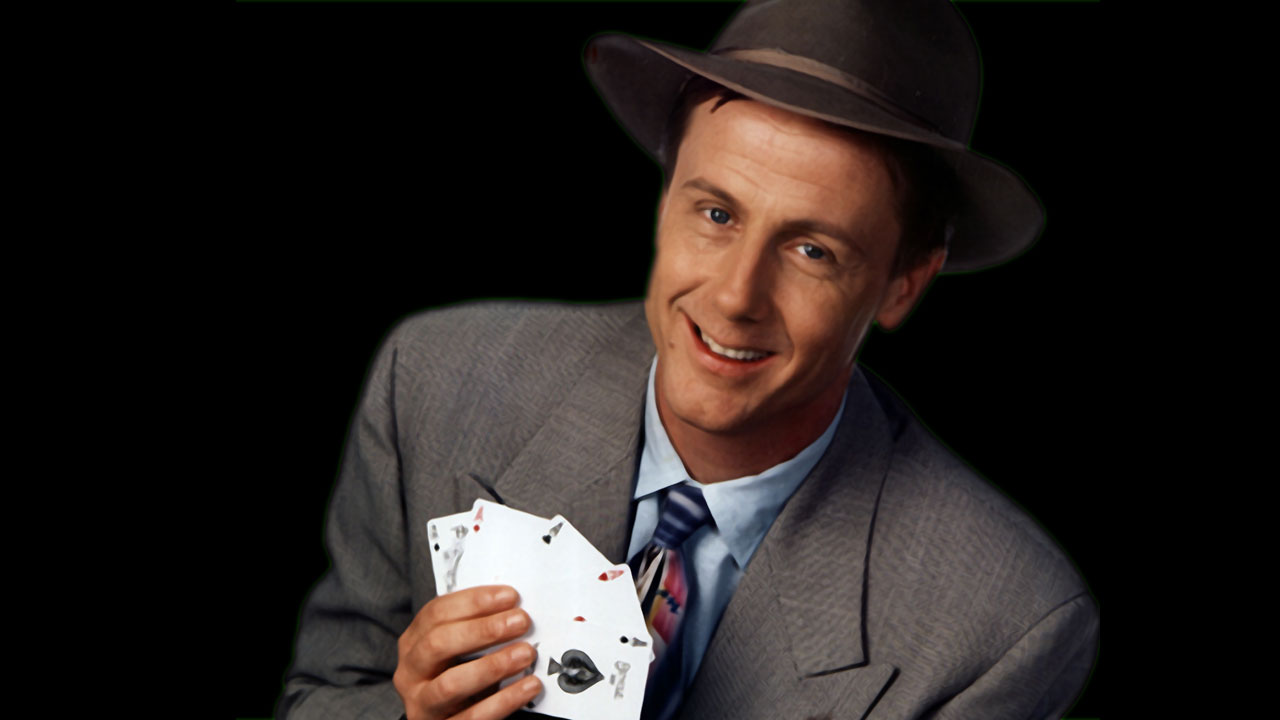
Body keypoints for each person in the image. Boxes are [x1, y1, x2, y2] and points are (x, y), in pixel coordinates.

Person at [278, 1, 1099, 718]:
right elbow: (320, 697)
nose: (737, 297)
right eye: (716, 214)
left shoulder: (1001, 626)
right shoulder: (434, 384)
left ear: (902, 285)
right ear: (665, 199)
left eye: (812, 250)